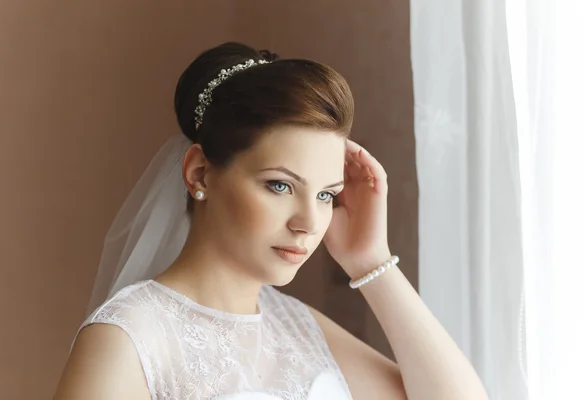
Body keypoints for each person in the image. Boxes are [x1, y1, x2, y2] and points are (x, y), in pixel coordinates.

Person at [53, 42, 489, 400]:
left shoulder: (299, 326)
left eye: (325, 195)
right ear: (200, 173)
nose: (308, 222)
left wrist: (369, 261)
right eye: (280, 186)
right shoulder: (128, 339)